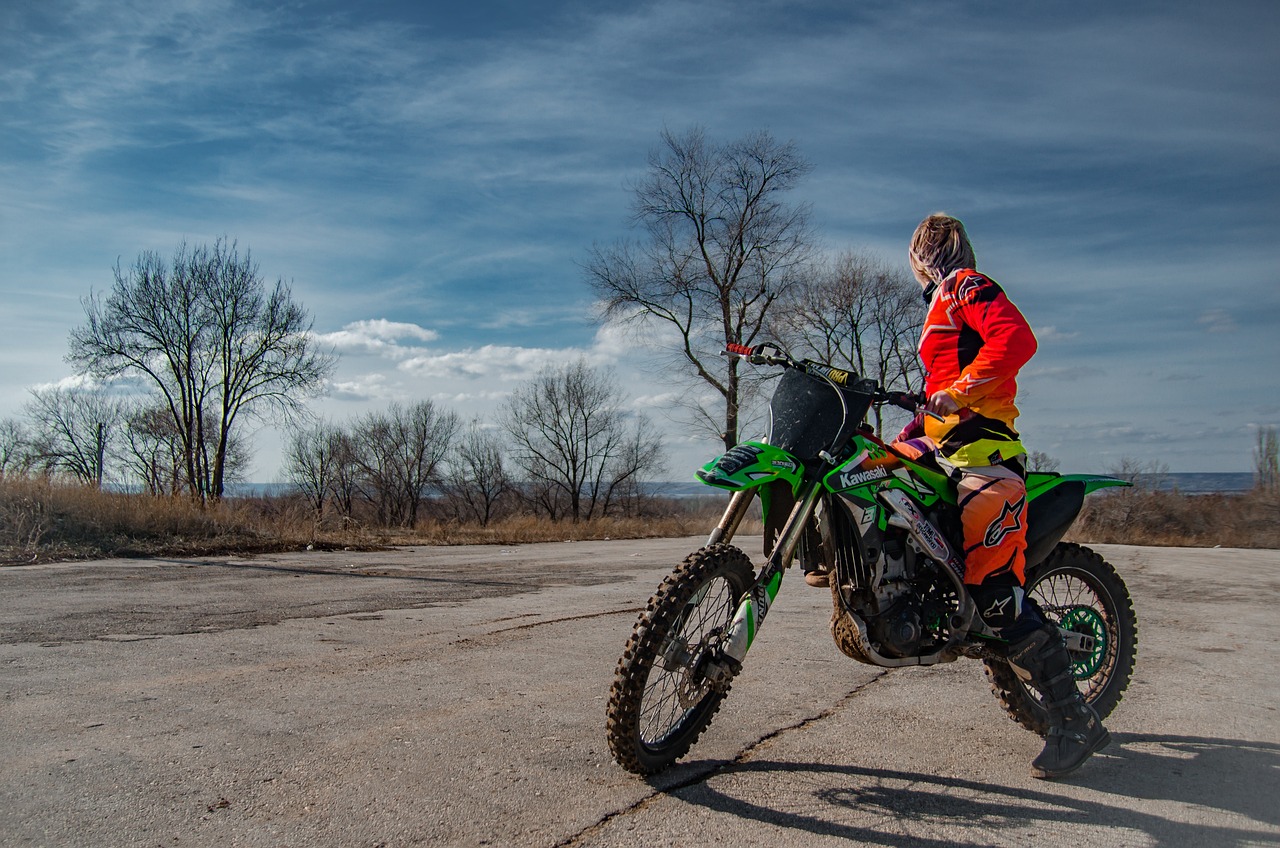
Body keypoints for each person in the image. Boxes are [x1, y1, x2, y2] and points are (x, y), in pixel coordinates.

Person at [896, 213, 1109, 779]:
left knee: (995, 597)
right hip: (947, 452)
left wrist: (959, 392)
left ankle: (1074, 719)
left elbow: (1017, 339)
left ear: (926, 256)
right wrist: (898, 441)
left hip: (985, 457)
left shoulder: (966, 286)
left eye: (920, 253)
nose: (920, 262)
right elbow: (935, 406)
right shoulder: (941, 311)